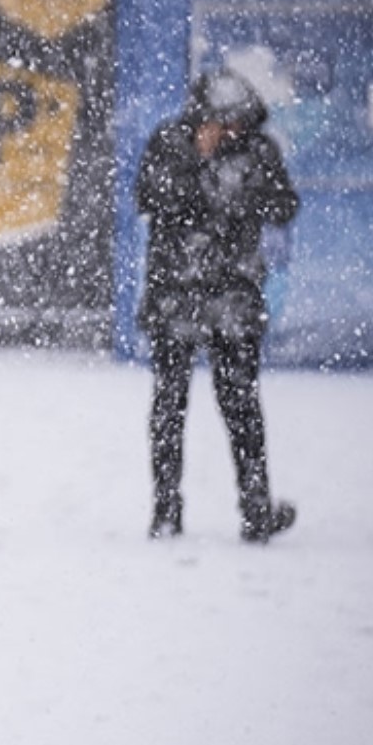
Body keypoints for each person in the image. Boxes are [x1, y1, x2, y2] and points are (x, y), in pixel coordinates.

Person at [136, 69, 300, 543]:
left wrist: (243, 191)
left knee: (242, 405)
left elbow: (284, 205)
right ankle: (166, 510)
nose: (231, 133)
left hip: (234, 295)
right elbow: (150, 198)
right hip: (177, 295)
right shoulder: (170, 143)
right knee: (170, 404)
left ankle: (255, 510)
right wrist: (198, 165)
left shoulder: (258, 150)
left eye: (238, 124)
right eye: (223, 123)